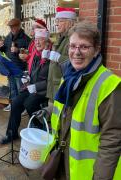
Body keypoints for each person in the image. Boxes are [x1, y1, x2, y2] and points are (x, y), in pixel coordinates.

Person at [43, 21, 121, 179]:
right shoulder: (69, 76)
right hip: (63, 161)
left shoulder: (109, 85)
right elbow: (70, 112)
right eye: (72, 46)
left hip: (88, 172)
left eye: (84, 47)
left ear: (96, 50)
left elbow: (112, 139)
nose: (76, 52)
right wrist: (47, 111)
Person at [0, 28, 52, 144]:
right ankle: (11, 134)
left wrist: (35, 87)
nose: (37, 42)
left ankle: (40, 129)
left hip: (44, 90)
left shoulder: (51, 57)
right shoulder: (35, 55)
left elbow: (52, 81)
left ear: (47, 42)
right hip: (32, 87)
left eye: (41, 40)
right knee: (16, 102)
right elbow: (33, 74)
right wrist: (26, 77)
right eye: (36, 39)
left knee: (29, 103)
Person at [42, 7, 77, 112]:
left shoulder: (73, 38)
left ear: (70, 23)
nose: (57, 24)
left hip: (62, 87)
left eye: (60, 21)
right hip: (54, 86)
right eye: (56, 21)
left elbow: (76, 62)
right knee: (53, 119)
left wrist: (59, 58)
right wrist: (48, 55)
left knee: (59, 119)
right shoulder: (60, 37)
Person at [0, 18, 31, 112]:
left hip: (19, 68)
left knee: (21, 89)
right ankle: (13, 105)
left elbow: (29, 53)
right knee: (12, 88)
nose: (12, 29)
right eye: (10, 27)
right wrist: (0, 47)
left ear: (19, 26)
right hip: (9, 67)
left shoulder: (26, 38)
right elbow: (4, 50)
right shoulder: (8, 37)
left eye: (13, 27)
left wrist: (18, 50)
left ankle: (22, 107)